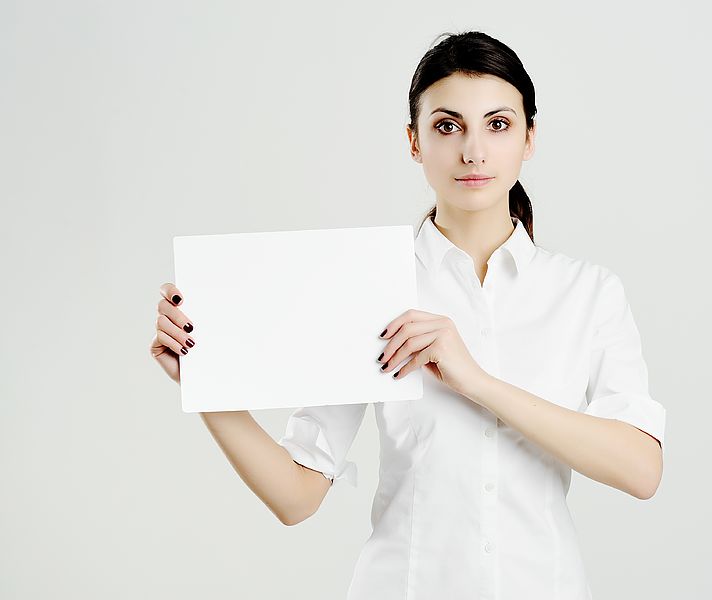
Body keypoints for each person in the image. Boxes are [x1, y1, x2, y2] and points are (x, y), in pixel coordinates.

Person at [150, 30, 666, 600]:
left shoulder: (588, 293)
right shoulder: (367, 285)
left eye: (498, 124)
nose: (473, 151)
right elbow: (297, 496)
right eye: (448, 126)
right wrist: (204, 383)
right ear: (414, 141)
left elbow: (642, 470)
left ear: (530, 138)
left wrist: (476, 382)